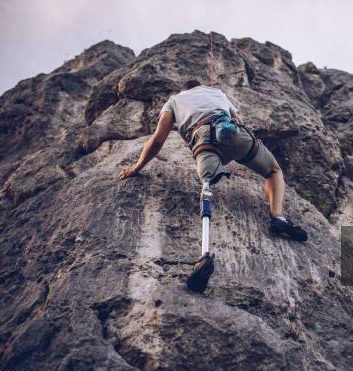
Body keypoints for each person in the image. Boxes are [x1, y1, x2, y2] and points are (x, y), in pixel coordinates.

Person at [119, 80, 307, 289]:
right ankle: (278, 217)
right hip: (231, 133)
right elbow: (238, 120)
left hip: (203, 139)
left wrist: (136, 168)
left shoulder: (174, 101)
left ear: (184, 89)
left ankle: (205, 256)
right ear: (200, 87)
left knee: (207, 183)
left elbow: (157, 139)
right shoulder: (217, 93)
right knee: (273, 171)